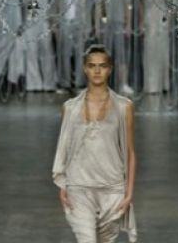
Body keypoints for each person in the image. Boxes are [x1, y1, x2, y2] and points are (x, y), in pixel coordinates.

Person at [52, 45, 138, 242]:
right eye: (92, 66)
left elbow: (130, 152)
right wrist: (63, 185)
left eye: (102, 66)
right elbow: (65, 148)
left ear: (110, 69)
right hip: (79, 186)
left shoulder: (125, 107)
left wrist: (129, 193)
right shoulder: (70, 108)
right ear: (85, 69)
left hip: (112, 187)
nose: (97, 71)